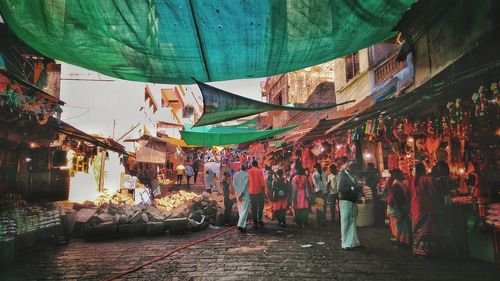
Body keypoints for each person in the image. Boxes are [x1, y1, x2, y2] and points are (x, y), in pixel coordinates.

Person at [410, 162, 437, 257]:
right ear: (423, 170)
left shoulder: (412, 180)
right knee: (425, 228)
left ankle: (417, 249)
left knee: (418, 228)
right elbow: (431, 193)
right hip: (424, 206)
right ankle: (425, 250)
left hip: (415, 206)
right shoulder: (426, 180)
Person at [337, 161, 362, 250]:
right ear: (350, 168)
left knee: (352, 221)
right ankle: (346, 243)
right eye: (354, 169)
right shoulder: (342, 174)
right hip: (346, 201)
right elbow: (340, 188)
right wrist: (353, 188)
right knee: (346, 222)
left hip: (352, 201)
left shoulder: (351, 175)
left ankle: (353, 242)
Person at [386, 169, 411, 246]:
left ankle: (401, 241)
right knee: (400, 226)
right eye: (401, 174)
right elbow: (397, 199)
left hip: (396, 207)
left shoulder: (397, 184)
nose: (402, 175)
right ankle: (400, 241)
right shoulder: (396, 185)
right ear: (396, 176)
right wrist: (402, 209)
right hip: (397, 208)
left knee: (399, 225)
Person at [247, 160, 269, 227]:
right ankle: (259, 219)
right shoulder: (259, 171)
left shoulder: (248, 171)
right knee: (261, 206)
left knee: (254, 207)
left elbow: (247, 183)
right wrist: (264, 193)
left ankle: (255, 222)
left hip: (251, 192)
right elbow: (262, 183)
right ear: (257, 164)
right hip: (259, 192)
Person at [233, 165, 250, 232]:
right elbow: (245, 185)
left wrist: (238, 193)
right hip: (245, 194)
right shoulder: (246, 175)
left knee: (240, 210)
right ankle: (240, 224)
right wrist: (242, 193)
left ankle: (243, 225)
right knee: (245, 210)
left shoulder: (235, 175)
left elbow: (234, 184)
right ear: (245, 169)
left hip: (237, 194)